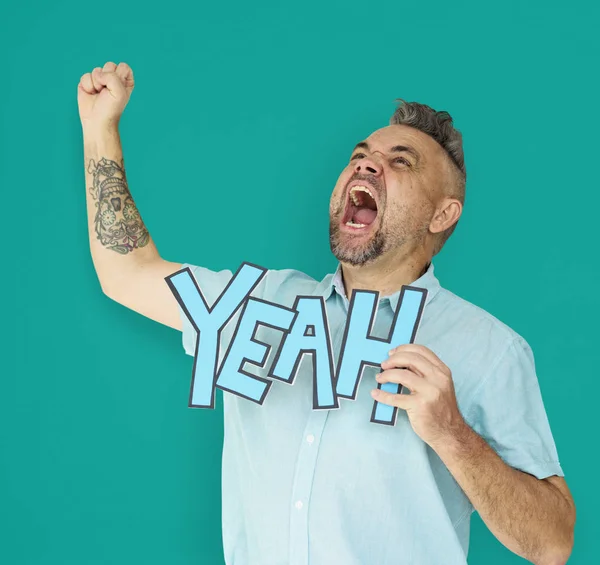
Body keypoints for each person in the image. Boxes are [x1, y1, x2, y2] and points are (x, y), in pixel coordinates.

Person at [78, 61, 576, 565]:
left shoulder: (488, 348)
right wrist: (100, 128)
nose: (366, 164)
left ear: (441, 214)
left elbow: (553, 543)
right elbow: (126, 273)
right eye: (361, 155)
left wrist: (452, 433)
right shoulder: (258, 305)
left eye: (401, 162)